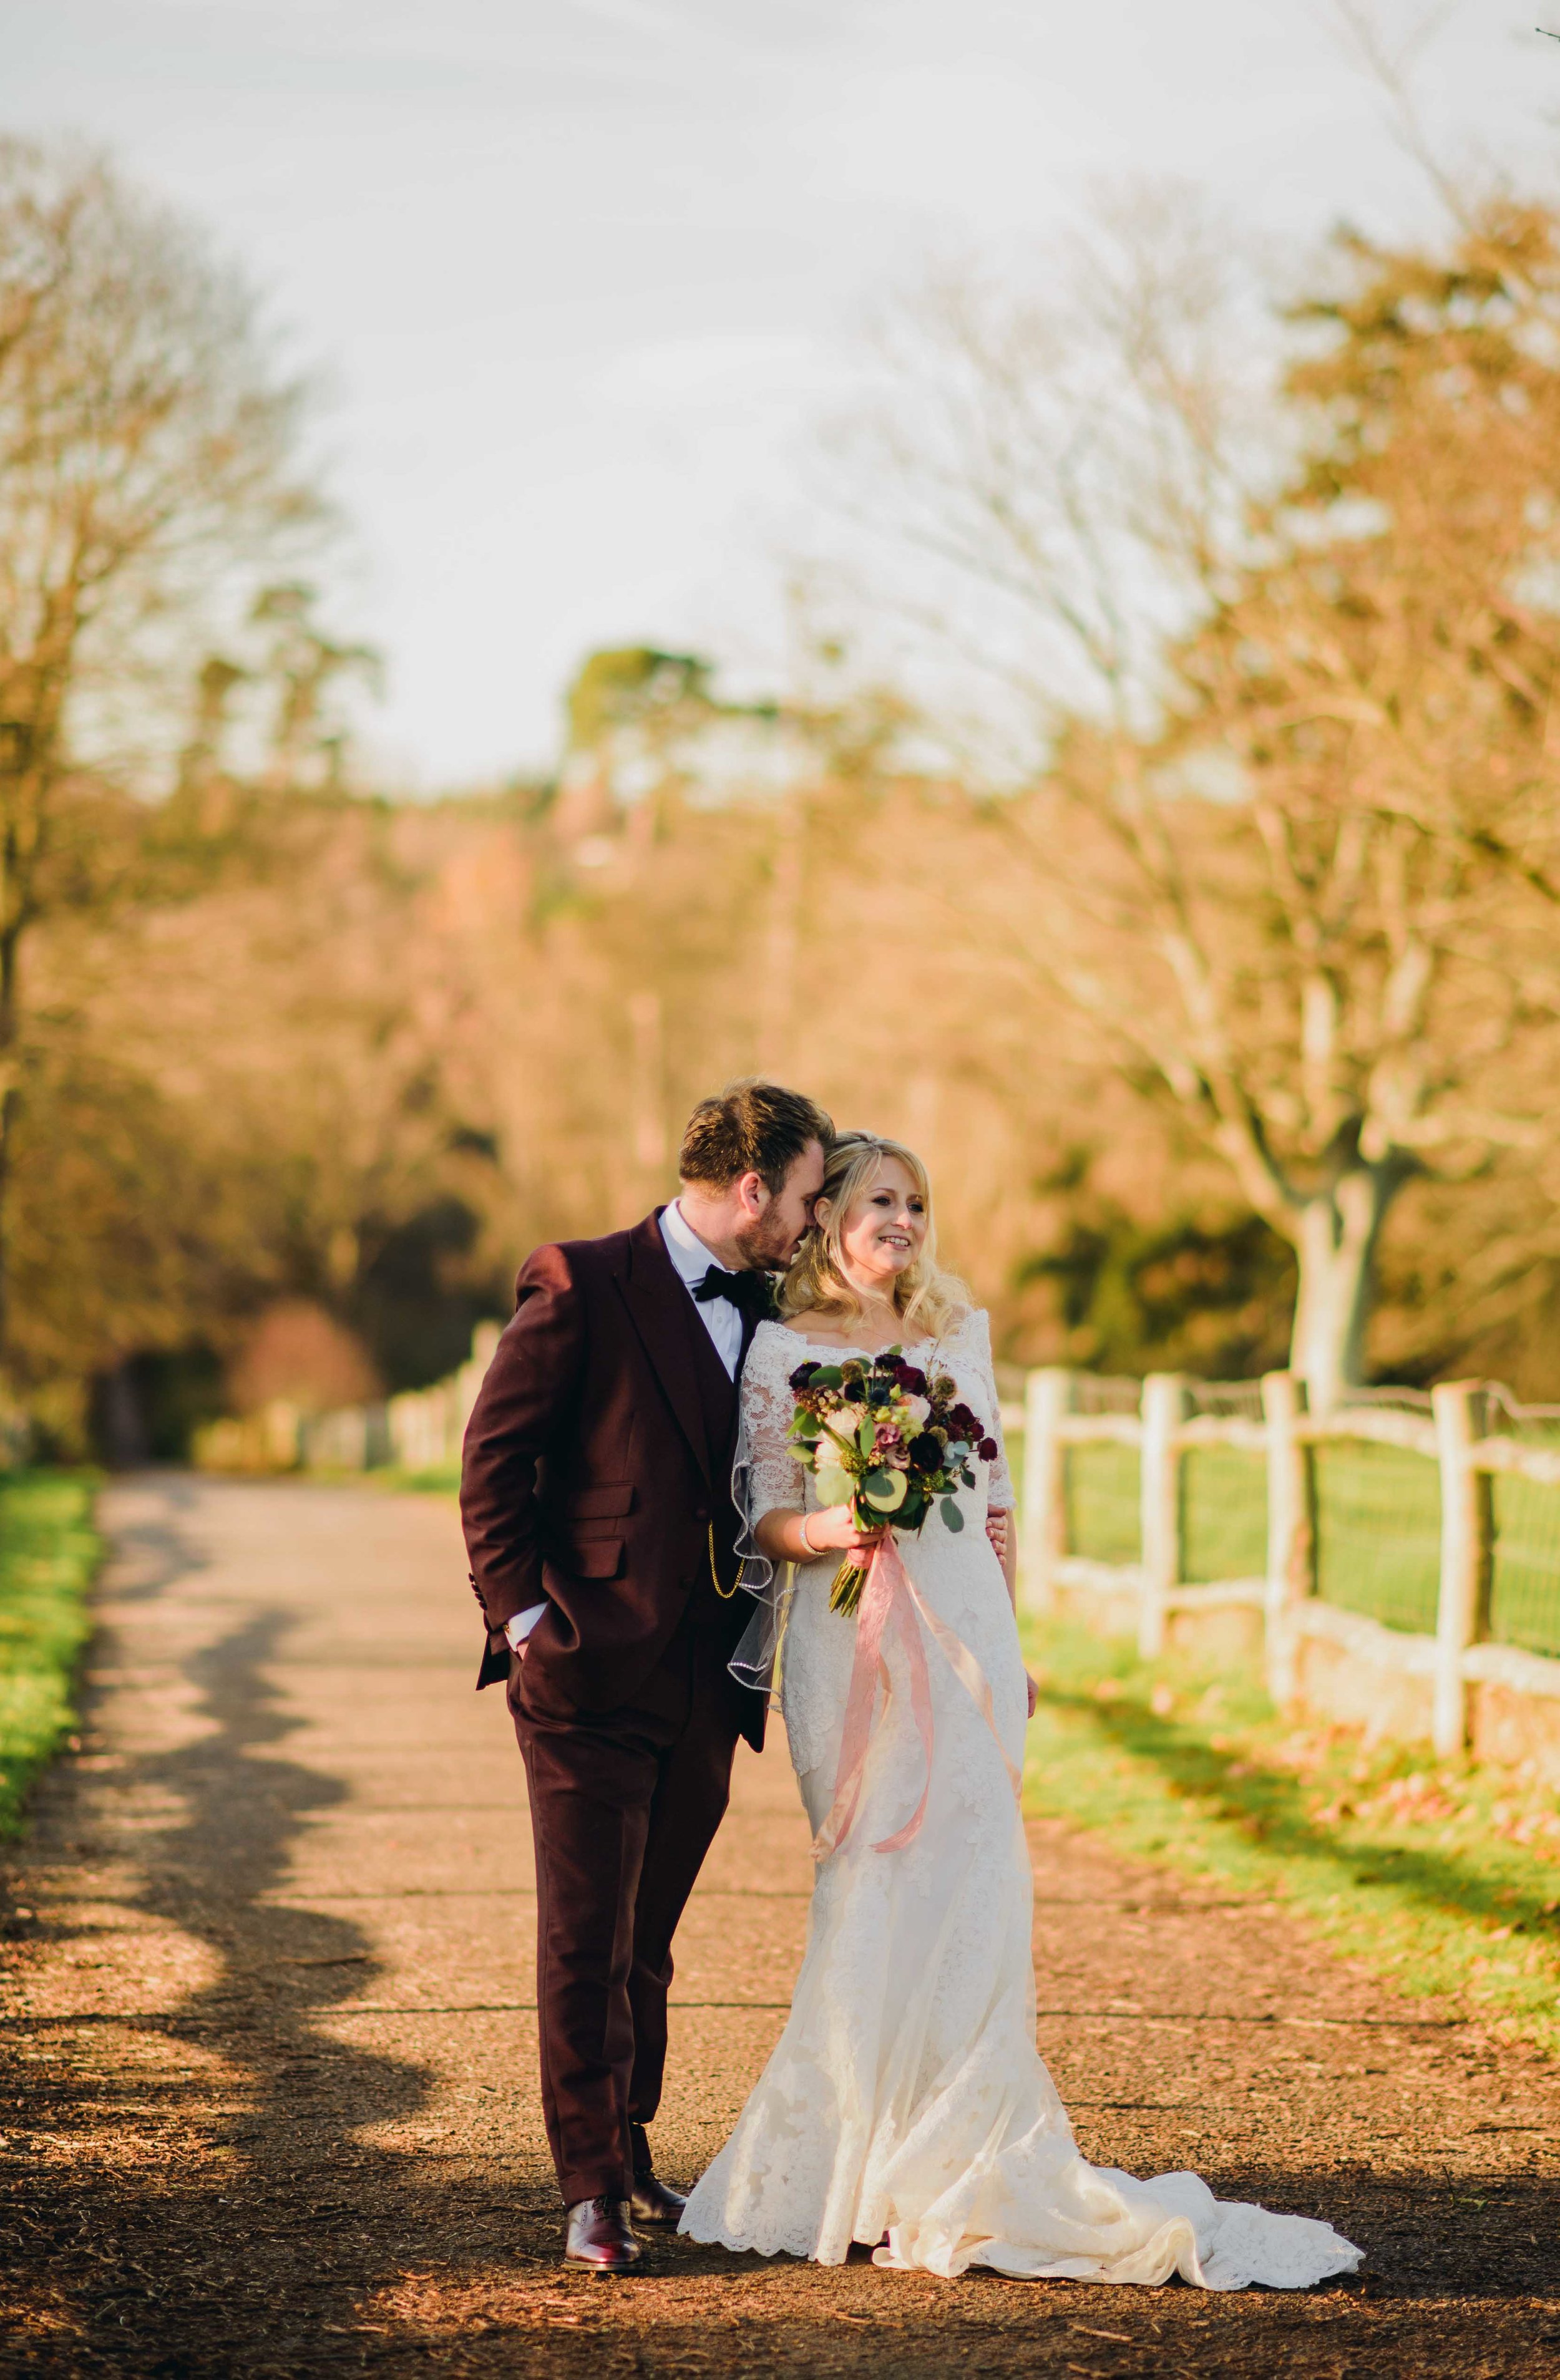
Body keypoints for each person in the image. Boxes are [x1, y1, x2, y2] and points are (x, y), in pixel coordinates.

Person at [679, 1131, 1363, 2290]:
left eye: (918, 1203)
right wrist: (843, 1524)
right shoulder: (781, 1349)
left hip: (964, 1636)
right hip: (849, 1647)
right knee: (868, 1877)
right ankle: (852, 2151)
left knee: (975, 1874)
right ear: (830, 1212)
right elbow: (767, 1522)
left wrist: (1010, 1631)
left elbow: (994, 1498)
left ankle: (963, 2149)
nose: (903, 1221)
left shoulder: (958, 1334)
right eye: (880, 1200)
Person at [460, 1080, 832, 2271]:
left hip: (712, 1676)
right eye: (810, 1198)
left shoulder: (779, 1307)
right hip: (585, 1662)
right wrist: (525, 1621)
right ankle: (588, 2193)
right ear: (753, 1187)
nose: (815, 1224)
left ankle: (626, 2140)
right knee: (585, 1932)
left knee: (648, 1931)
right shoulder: (580, 1280)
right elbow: (493, 1463)